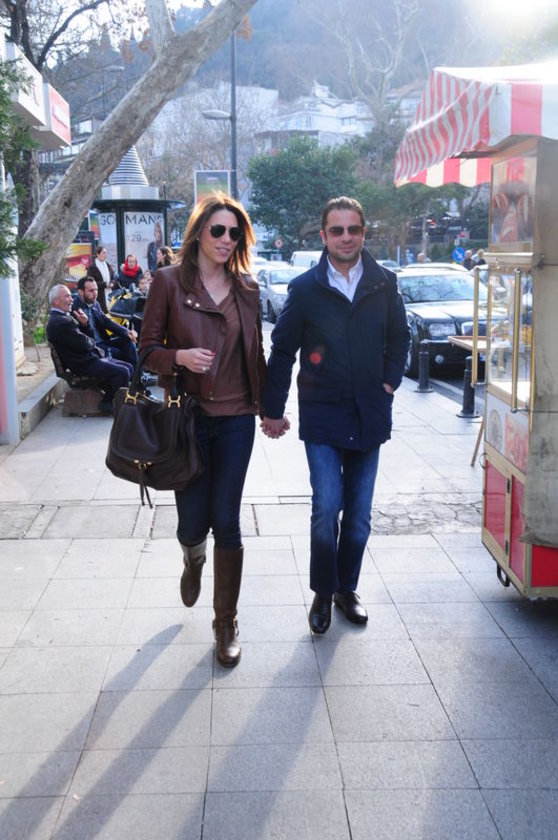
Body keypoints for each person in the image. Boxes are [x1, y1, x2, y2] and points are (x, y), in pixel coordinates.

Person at [261, 196, 410, 635]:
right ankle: (323, 592)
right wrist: (272, 410)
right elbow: (282, 351)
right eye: (337, 230)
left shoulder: (384, 283)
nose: (346, 237)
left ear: (363, 232)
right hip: (323, 415)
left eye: (354, 229)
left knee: (359, 517)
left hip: (369, 414)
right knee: (326, 508)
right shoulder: (305, 289)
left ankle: (347, 589)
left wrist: (389, 383)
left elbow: (400, 339)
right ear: (324, 235)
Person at [139, 192, 268, 668]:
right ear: (198, 233)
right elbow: (145, 351)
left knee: (227, 520)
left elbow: (256, 354)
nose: (226, 239)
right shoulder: (168, 282)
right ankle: (193, 559)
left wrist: (271, 408)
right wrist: (179, 357)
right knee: (193, 523)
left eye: (235, 232)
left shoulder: (247, 288)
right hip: (188, 419)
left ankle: (225, 623)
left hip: (236, 420)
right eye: (218, 230)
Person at [46, 284, 133, 412]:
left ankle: (113, 399)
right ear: (56, 301)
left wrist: (85, 324)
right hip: (83, 364)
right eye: (67, 296)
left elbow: (85, 341)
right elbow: (85, 343)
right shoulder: (60, 322)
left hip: (87, 359)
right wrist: (90, 339)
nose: (71, 299)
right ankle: (109, 403)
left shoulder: (61, 318)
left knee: (128, 367)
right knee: (123, 372)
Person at [72, 276, 139, 368]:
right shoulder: (74, 308)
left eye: (96, 290)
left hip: (103, 341)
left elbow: (106, 321)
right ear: (81, 292)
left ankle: (137, 374)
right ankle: (133, 374)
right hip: (92, 347)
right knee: (117, 352)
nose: (95, 293)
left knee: (128, 339)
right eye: (91, 290)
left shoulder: (95, 303)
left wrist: (126, 331)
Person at [88, 244, 116, 313]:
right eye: (103, 253)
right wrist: (105, 284)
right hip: (99, 296)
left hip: (109, 294)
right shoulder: (92, 267)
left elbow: (113, 278)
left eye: (106, 253)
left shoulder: (108, 265)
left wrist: (112, 283)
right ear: (97, 254)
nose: (105, 255)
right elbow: (90, 282)